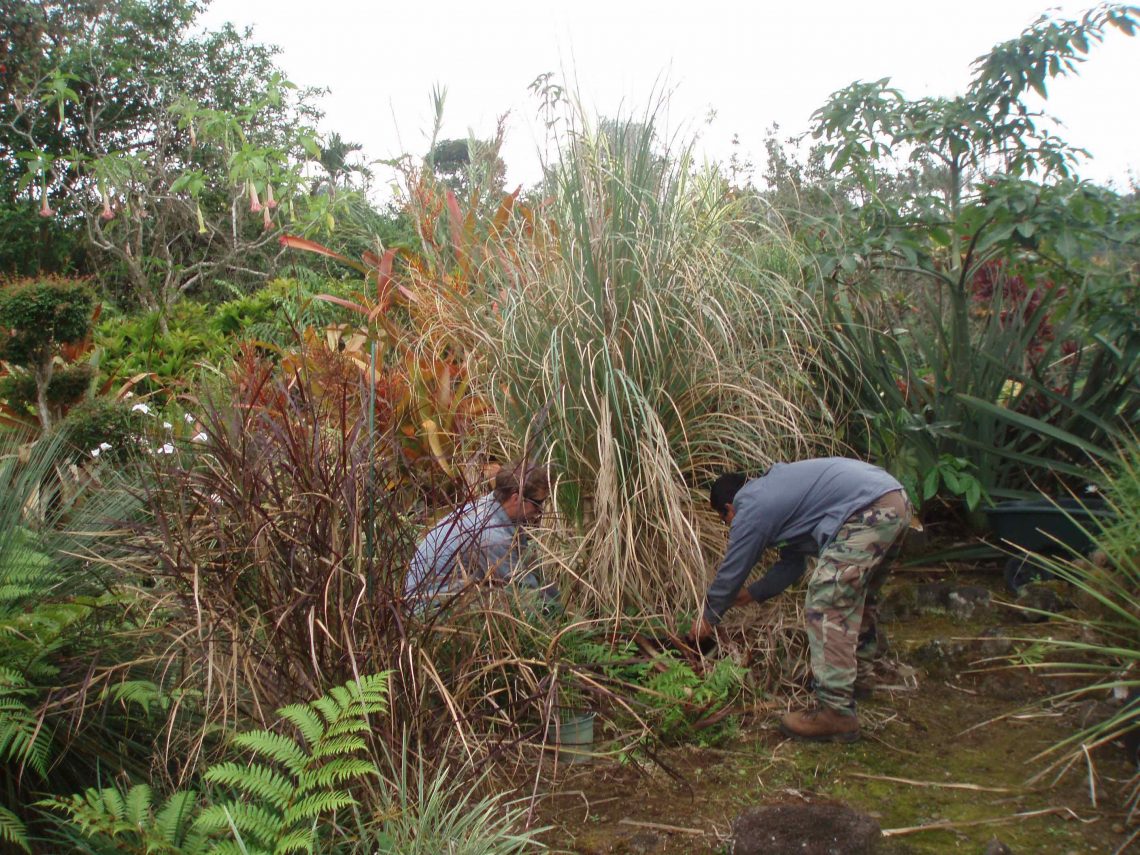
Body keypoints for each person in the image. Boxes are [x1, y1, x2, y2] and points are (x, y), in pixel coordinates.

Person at [690, 457, 913, 743]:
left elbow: (734, 566)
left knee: (827, 601)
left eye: (726, 521)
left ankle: (836, 712)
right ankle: (855, 682)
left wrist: (708, 616)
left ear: (729, 509)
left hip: (868, 510)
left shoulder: (751, 504)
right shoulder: (779, 498)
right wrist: (754, 593)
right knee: (860, 598)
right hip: (894, 502)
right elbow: (792, 564)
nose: (731, 527)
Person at [404, 461, 556, 609]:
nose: (540, 511)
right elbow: (525, 592)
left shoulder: (492, 507)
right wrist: (563, 616)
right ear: (516, 498)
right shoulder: (493, 535)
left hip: (448, 594)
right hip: (431, 610)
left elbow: (531, 571)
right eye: (538, 503)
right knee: (510, 603)